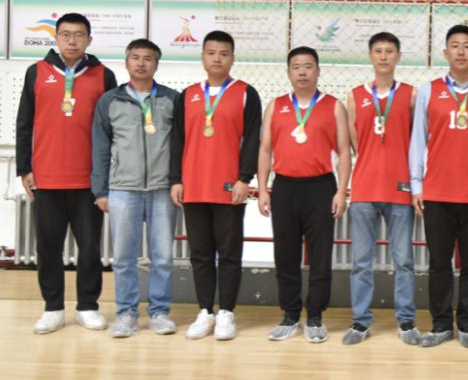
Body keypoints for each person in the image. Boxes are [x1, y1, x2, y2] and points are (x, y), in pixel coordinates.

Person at [16, 13, 117, 335]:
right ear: (56, 38)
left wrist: (107, 176)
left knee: (90, 248)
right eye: (66, 35)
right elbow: (24, 123)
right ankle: (53, 308)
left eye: (79, 35)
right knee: (48, 248)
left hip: (89, 180)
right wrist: (24, 168)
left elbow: (113, 130)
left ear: (89, 39)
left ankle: (87, 306)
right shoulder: (36, 72)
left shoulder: (104, 75)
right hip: (47, 177)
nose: (72, 41)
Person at [409, 25, 468, 349]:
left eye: (467, 46)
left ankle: (467, 325)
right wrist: (416, 184)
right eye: (455, 45)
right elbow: (417, 140)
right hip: (437, 192)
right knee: (439, 264)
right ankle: (440, 325)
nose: (461, 51)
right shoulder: (427, 91)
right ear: (445, 52)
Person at [172, 30, 261, 342]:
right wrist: (176, 179)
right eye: (211, 53)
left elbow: (253, 139)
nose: (217, 59)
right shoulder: (187, 95)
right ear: (202, 58)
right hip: (194, 186)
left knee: (229, 254)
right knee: (200, 254)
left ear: (232, 58)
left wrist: (244, 178)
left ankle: (226, 312)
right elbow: (177, 140)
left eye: (223, 54)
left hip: (229, 188)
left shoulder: (246, 93)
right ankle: (204, 311)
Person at [257, 47, 351, 344]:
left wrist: (341, 191)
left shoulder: (333, 106)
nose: (302, 72)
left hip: (320, 187)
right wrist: (263, 188)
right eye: (296, 66)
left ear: (318, 71)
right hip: (284, 187)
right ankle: (290, 315)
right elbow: (265, 149)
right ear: (288, 72)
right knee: (285, 255)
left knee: (320, 257)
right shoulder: (276, 106)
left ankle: (315, 317)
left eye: (308, 66)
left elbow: (344, 151)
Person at [91, 39, 182, 339]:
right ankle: (127, 313)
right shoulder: (110, 101)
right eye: (135, 57)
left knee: (163, 257)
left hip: (162, 189)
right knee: (123, 258)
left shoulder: (172, 99)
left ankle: (159, 312)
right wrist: (101, 190)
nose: (141, 63)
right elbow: (100, 147)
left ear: (157, 64)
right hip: (122, 188)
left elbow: (181, 145)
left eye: (148, 58)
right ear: (127, 62)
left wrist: (178, 181)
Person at [344, 32, 419, 346]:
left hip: (400, 189)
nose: (384, 56)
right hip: (364, 188)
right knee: (361, 262)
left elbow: (416, 139)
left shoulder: (412, 95)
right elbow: (354, 141)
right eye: (378, 51)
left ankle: (406, 320)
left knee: (404, 261)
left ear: (398, 56)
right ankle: (361, 321)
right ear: (370, 56)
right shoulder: (354, 96)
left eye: (390, 51)